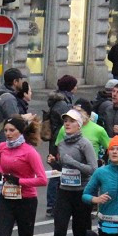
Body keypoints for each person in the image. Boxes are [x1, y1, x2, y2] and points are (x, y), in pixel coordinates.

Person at [0, 116, 51, 236]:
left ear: (20, 131)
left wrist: (19, 181)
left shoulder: (30, 152)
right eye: (6, 130)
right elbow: (0, 162)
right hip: (7, 199)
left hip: (26, 201)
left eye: (12, 130)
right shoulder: (2, 147)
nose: (8, 134)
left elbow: (42, 179)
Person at [48, 109, 100, 236]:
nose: (67, 124)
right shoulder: (61, 144)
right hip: (64, 191)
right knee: (59, 232)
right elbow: (63, 166)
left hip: (81, 193)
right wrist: (55, 163)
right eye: (65, 121)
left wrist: (73, 163)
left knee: (79, 234)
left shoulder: (85, 144)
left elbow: (93, 169)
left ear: (79, 125)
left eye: (71, 121)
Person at [0, 69, 27, 228]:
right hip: (3, 143)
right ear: (15, 81)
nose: (22, 83)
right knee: (0, 180)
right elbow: (15, 122)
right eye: (21, 80)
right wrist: (26, 119)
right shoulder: (8, 98)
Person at [45, 76, 78, 215]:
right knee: (57, 172)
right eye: (75, 85)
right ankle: (52, 205)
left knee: (58, 172)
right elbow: (66, 122)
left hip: (56, 141)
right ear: (70, 87)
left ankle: (54, 204)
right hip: (58, 142)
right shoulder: (62, 104)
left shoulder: (61, 100)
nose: (77, 88)